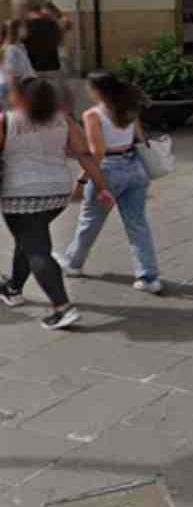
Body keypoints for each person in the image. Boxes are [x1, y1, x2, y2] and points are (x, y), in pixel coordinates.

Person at [0, 77, 110, 330]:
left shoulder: (6, 120)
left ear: (20, 97)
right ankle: (13, 288)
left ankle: (63, 307)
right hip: (57, 193)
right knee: (29, 239)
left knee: (36, 248)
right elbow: (85, 154)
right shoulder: (63, 120)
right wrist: (102, 186)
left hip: (19, 194)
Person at [59, 72, 162, 294]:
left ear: (97, 90)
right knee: (137, 223)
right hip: (135, 168)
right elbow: (140, 140)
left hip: (108, 170)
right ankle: (148, 277)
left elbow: (97, 152)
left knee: (90, 220)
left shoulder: (92, 115)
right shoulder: (129, 108)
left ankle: (73, 263)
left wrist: (83, 179)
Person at [0, 21, 31, 101]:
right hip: (10, 87)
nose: (26, 29)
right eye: (22, 27)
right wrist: (14, 92)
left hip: (19, 85)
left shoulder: (20, 46)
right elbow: (10, 72)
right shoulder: (10, 48)